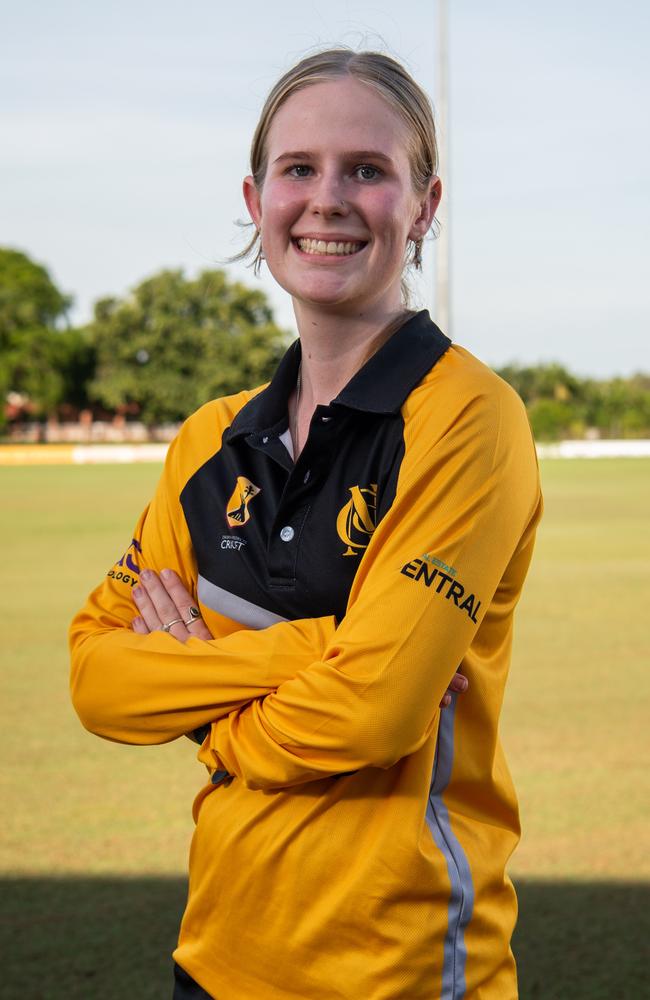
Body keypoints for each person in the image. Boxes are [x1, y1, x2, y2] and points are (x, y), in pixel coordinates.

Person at [70, 48, 543, 1000]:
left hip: (400, 972)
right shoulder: (211, 439)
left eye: (367, 171)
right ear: (256, 199)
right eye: (299, 169)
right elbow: (96, 678)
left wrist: (199, 698)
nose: (327, 198)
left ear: (424, 205)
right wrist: (311, 652)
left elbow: (371, 716)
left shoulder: (468, 419)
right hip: (214, 956)